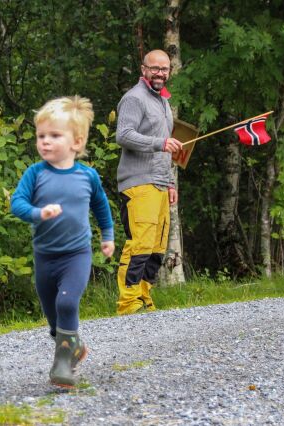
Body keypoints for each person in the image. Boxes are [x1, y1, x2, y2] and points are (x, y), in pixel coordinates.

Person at [11, 96, 115, 388]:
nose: (45, 141)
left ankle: (63, 363)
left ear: (76, 142)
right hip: (45, 256)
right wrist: (37, 213)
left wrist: (107, 237)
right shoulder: (35, 174)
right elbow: (17, 204)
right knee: (54, 318)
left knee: (67, 301)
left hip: (77, 255)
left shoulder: (87, 176)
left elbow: (101, 208)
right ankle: (73, 346)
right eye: (41, 136)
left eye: (54, 135)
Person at [115, 49, 182, 315]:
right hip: (137, 183)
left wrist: (170, 183)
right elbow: (124, 135)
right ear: (143, 69)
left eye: (165, 69)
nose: (160, 73)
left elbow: (166, 150)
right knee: (139, 245)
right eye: (155, 68)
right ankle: (128, 305)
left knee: (156, 247)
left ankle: (144, 299)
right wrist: (160, 143)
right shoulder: (134, 98)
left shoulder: (163, 102)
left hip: (159, 184)